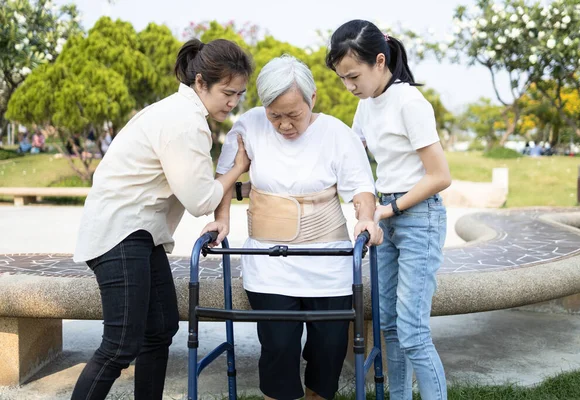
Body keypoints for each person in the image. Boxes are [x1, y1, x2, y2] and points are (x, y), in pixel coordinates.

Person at [71, 38, 254, 400]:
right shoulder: (184, 122)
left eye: (240, 94)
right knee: (120, 344)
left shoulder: (179, 113)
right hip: (121, 234)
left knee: (160, 329)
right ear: (201, 82)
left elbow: (195, 186)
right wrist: (238, 169)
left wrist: (242, 190)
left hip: (139, 234)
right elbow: (201, 199)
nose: (233, 103)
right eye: (228, 92)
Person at [202, 55, 383, 400]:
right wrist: (221, 220)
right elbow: (225, 177)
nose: (284, 125)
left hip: (328, 264)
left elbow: (361, 188)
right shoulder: (250, 125)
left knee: (329, 350)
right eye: (275, 115)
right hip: (271, 264)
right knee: (279, 349)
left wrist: (364, 218)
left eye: (293, 115)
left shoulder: (336, 134)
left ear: (312, 99)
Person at [327, 20, 452, 400]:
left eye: (353, 76)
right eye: (342, 78)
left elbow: (440, 176)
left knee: (413, 331)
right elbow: (350, 158)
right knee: (389, 326)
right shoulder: (366, 106)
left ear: (379, 61)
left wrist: (389, 208)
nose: (349, 86)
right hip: (388, 219)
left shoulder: (409, 102)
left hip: (418, 217)